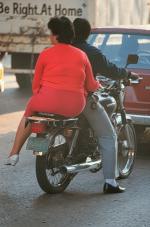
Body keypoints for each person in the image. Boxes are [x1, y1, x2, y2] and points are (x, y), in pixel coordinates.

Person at [5, 16, 100, 166]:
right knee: (78, 120)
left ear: (55, 36)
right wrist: (98, 85)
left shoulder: (45, 54)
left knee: (29, 116)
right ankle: (73, 148)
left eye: (51, 33)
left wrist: (43, 98)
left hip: (45, 102)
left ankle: (14, 153)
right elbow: (90, 85)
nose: (49, 36)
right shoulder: (82, 55)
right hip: (73, 106)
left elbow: (35, 85)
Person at [73, 18, 138, 194]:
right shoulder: (90, 52)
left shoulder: (57, 50)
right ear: (87, 34)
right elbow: (110, 69)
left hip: (51, 99)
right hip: (80, 98)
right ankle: (110, 182)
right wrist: (127, 74)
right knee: (109, 135)